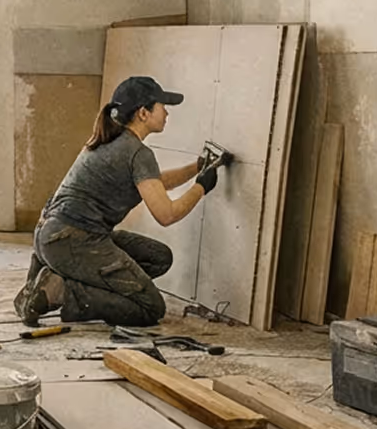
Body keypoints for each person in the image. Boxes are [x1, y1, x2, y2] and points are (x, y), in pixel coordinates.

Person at [13, 76, 233, 328]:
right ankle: (62, 291)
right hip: (73, 242)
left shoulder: (108, 140)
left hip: (51, 238)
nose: (167, 112)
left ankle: (45, 282)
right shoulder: (138, 152)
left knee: (158, 257)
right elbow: (166, 214)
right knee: (150, 308)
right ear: (143, 113)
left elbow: (153, 183)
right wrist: (202, 187)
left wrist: (196, 168)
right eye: (162, 105)